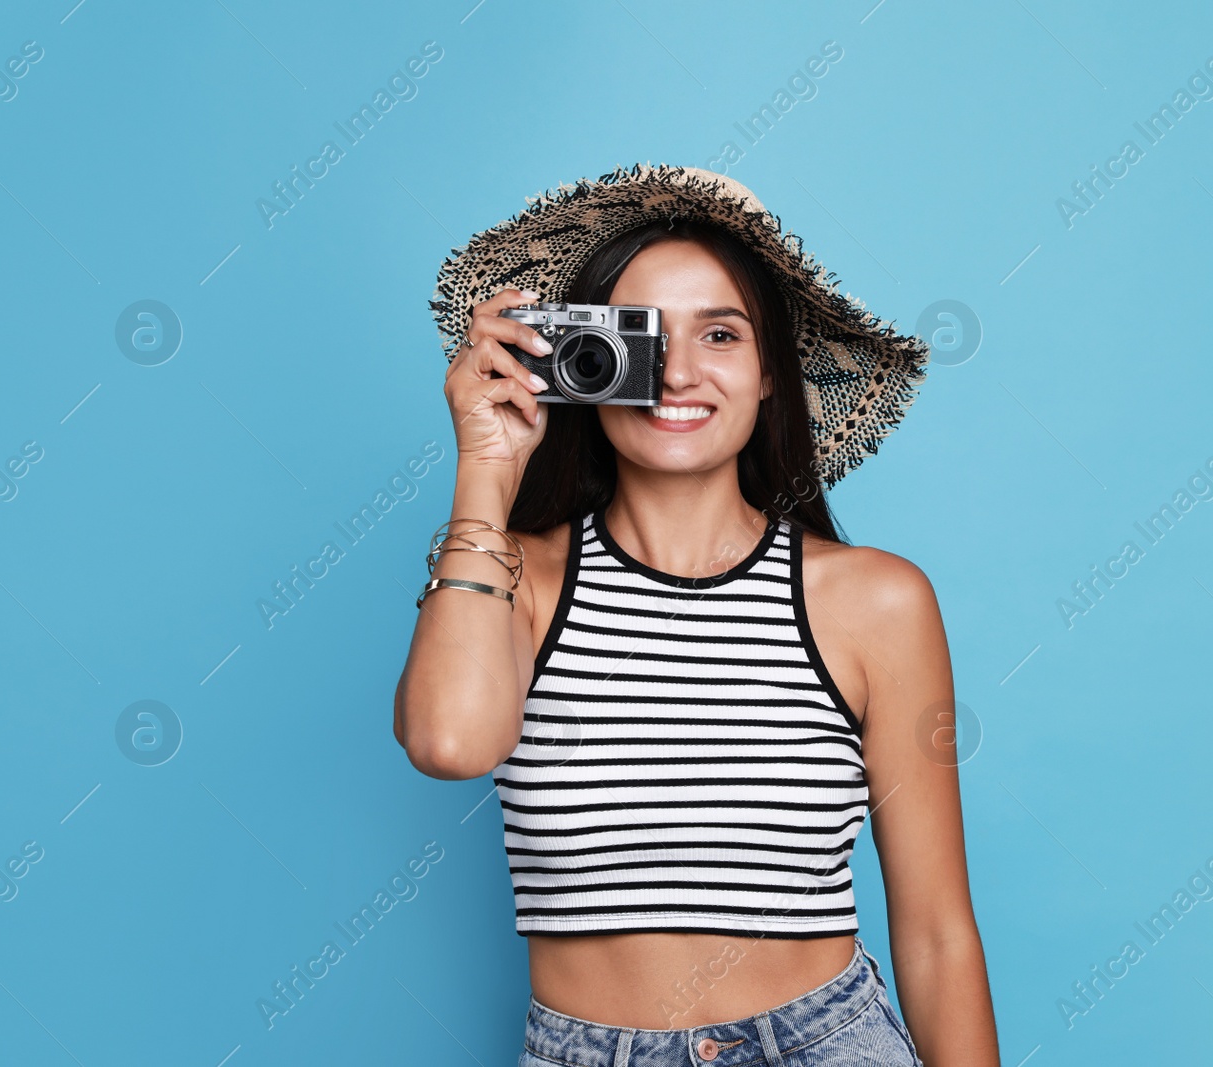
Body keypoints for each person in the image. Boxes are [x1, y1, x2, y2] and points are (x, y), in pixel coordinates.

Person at [394, 164, 998, 1065]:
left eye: (720, 333)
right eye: (639, 337)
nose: (677, 372)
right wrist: (485, 466)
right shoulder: (508, 580)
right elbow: (448, 745)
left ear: (767, 375)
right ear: (579, 366)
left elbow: (939, 931)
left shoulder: (877, 601)